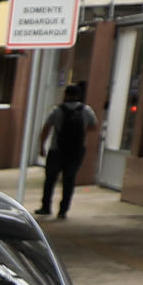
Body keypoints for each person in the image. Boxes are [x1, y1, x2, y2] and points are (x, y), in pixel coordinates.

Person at [37, 83, 100, 219]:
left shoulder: (57, 110)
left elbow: (46, 128)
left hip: (56, 150)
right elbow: (94, 126)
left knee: (50, 179)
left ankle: (46, 207)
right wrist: (81, 133)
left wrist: (42, 146)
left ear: (65, 94)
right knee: (69, 180)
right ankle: (63, 210)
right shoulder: (86, 110)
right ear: (78, 96)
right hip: (76, 151)